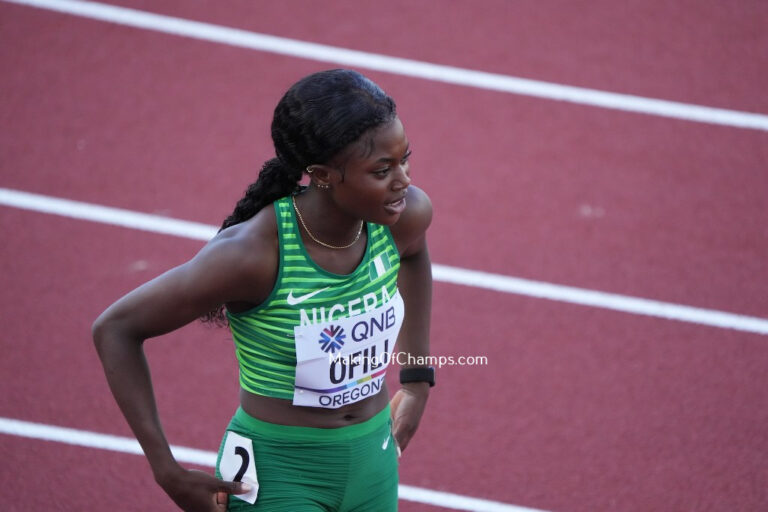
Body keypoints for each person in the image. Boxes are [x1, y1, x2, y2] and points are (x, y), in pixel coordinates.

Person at [92, 68, 434, 511]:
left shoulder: (403, 216)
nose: (403, 180)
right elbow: (116, 329)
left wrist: (417, 377)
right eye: (382, 170)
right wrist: (167, 471)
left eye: (405, 159)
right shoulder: (252, 254)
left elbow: (415, 255)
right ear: (323, 174)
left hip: (374, 458)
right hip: (280, 472)